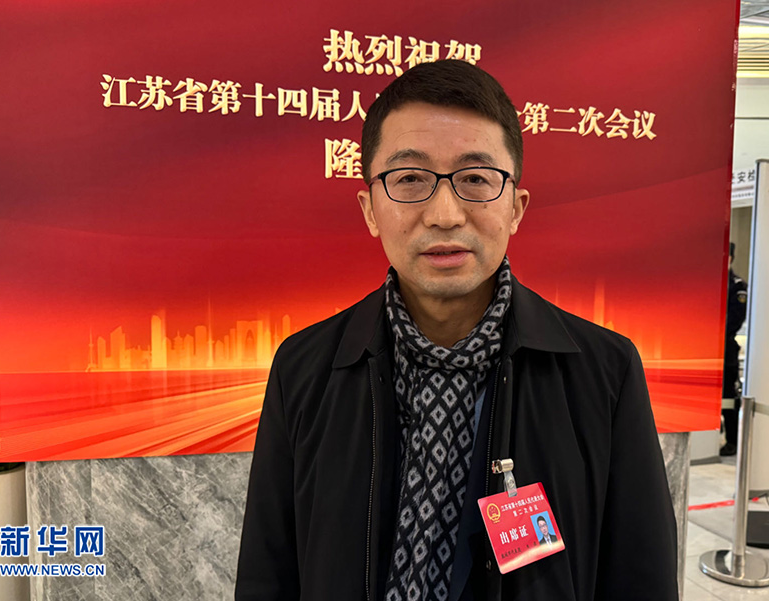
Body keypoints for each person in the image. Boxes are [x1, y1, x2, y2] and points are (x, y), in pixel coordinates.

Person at [235, 60, 677, 601]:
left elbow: (640, 577)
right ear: (370, 209)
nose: (444, 214)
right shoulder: (306, 367)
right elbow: (268, 572)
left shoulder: (602, 372)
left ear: (516, 207)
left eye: (475, 180)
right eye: (410, 179)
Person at [720, 242, 748, 456]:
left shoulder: (738, 286)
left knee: (729, 395)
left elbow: (736, 319)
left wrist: (716, 332)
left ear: (731, 258)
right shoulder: (708, 281)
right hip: (707, 350)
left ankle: (732, 440)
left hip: (726, 349)